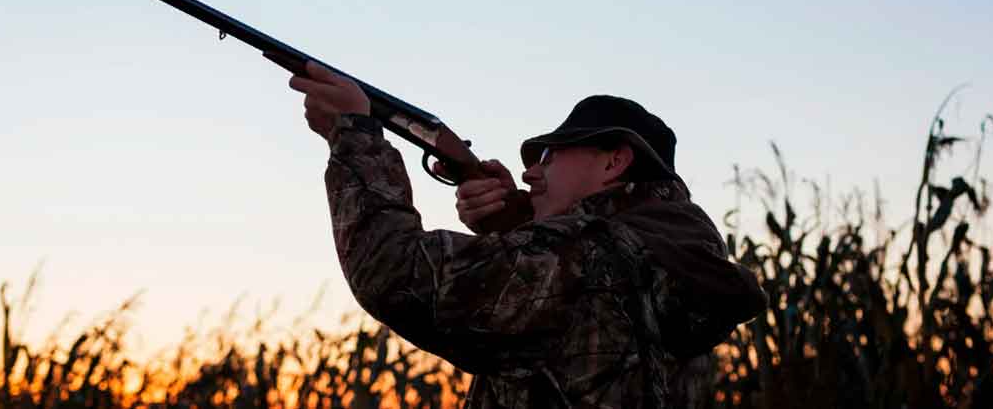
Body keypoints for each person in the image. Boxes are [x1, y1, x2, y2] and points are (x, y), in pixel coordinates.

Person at [288, 61, 766, 409]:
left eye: (550, 157)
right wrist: (520, 220)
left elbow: (392, 271)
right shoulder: (677, 261)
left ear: (614, 161)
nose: (531, 173)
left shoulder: (579, 260)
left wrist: (355, 134)